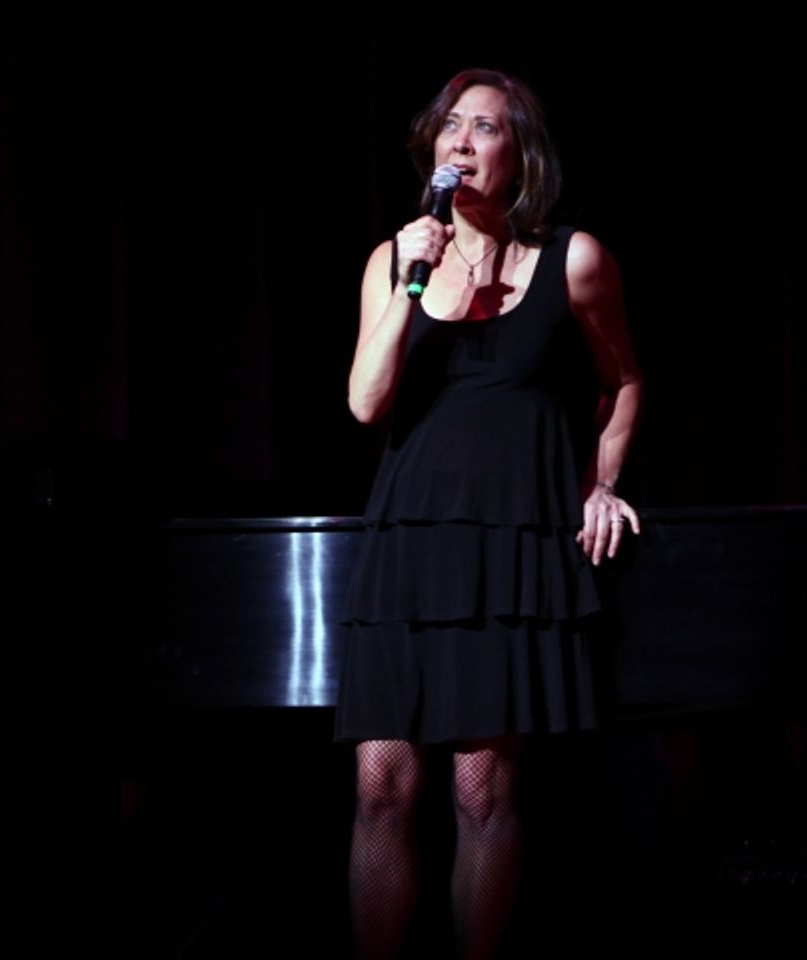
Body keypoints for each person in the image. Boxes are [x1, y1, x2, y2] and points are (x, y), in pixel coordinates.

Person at [336, 68, 642, 959]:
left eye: (487, 129)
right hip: (408, 546)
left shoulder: (574, 259)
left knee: (481, 793)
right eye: (450, 128)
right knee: (381, 786)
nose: (463, 143)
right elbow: (364, 402)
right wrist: (411, 279)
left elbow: (623, 381)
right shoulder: (395, 259)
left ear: (522, 156)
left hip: (508, 546)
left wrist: (602, 481)